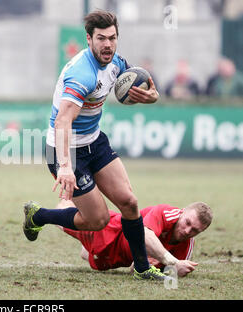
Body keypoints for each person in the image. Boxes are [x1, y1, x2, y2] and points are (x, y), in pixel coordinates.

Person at [22, 10, 164, 280]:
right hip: (65, 150)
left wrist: (151, 96)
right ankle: (38, 216)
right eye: (101, 38)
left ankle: (143, 268)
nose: (107, 44)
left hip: (94, 142)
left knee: (130, 203)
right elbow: (62, 121)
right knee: (97, 221)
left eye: (112, 38)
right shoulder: (81, 74)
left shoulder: (116, 63)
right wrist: (64, 167)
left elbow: (138, 85)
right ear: (89, 39)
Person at [61, 201, 212, 278]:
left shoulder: (186, 245)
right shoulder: (165, 213)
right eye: (187, 223)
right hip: (109, 234)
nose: (187, 231)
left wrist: (171, 270)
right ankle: (62, 198)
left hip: (114, 259)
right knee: (62, 218)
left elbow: (137, 269)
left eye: (195, 231)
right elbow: (144, 235)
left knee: (87, 255)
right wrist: (173, 263)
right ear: (182, 212)